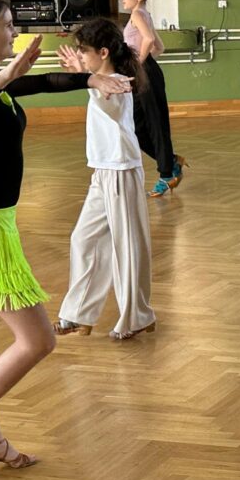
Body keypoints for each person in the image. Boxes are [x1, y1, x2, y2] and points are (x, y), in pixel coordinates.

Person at [0, 0, 131, 474]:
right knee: (38, 341)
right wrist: (3, 79)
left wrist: (90, 78)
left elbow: (42, 82)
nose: (14, 32)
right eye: (7, 24)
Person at [53, 19, 158, 341]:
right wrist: (82, 75)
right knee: (83, 239)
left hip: (121, 170)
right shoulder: (101, 80)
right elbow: (97, 93)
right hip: (103, 170)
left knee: (127, 246)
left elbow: (107, 104)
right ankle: (78, 314)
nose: (81, 56)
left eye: (84, 51)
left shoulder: (118, 82)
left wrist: (85, 78)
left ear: (103, 52)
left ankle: (137, 317)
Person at [121, 0, 186, 197]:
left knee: (155, 125)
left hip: (144, 73)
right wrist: (144, 64)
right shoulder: (143, 15)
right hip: (147, 71)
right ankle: (170, 161)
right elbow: (160, 47)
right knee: (137, 126)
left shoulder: (138, 15)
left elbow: (149, 40)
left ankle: (167, 174)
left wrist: (138, 65)